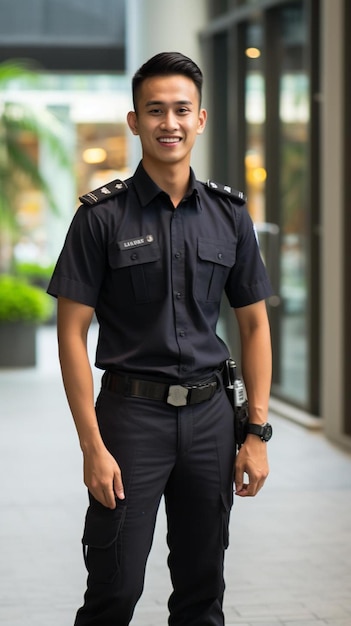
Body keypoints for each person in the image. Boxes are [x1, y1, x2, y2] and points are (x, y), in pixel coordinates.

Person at [48, 51, 273, 626]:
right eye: (155, 110)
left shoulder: (230, 216)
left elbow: (253, 324)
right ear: (134, 121)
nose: (168, 122)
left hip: (211, 420)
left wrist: (256, 434)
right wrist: (92, 447)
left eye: (180, 109)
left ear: (200, 119)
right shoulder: (100, 218)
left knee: (202, 595)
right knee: (114, 591)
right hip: (130, 419)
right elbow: (71, 333)